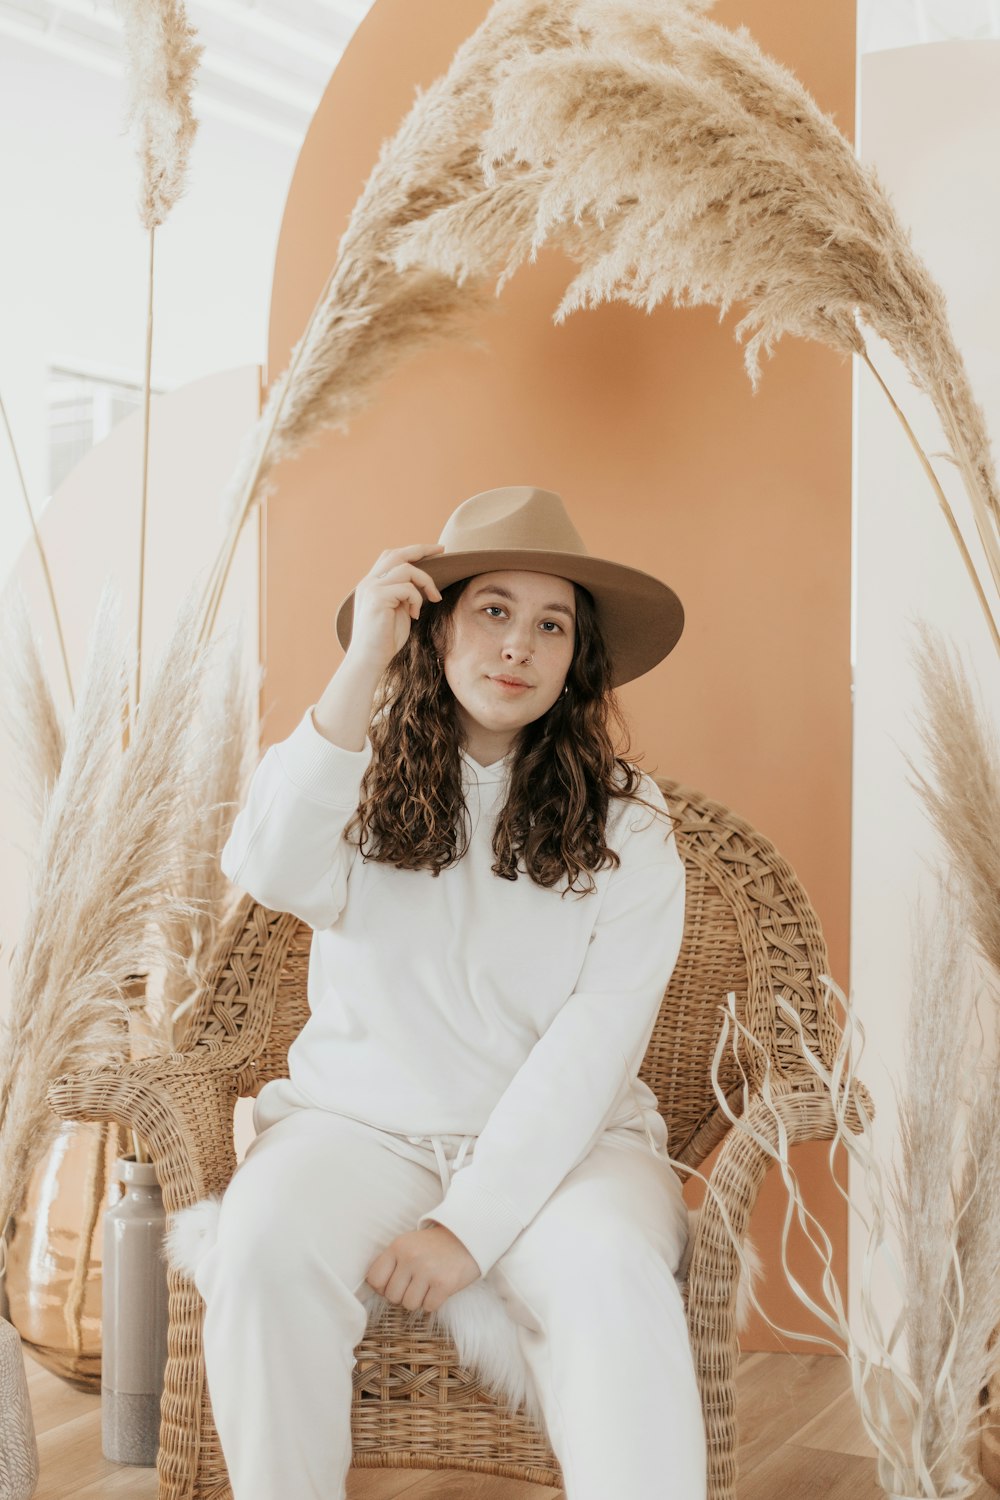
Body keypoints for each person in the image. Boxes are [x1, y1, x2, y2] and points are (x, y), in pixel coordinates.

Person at [193, 484, 708, 1500]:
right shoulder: (359, 773)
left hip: (577, 1151)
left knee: (610, 1272)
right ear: (433, 632)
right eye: (491, 610)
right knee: (256, 1249)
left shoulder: (631, 824)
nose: (518, 645)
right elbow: (267, 864)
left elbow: (593, 1047)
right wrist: (358, 666)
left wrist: (466, 1226)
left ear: (574, 661)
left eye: (550, 624)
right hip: (358, 1131)